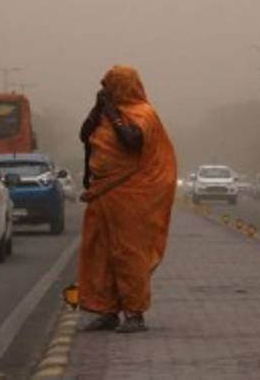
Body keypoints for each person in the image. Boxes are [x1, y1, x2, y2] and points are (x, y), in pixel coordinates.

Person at [77, 65, 177, 334]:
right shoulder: (104, 115)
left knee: (128, 254)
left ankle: (135, 313)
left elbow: (132, 140)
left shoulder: (144, 114)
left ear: (123, 86)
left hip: (131, 195)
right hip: (103, 194)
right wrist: (99, 108)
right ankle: (106, 311)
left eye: (111, 86)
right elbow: (84, 134)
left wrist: (111, 110)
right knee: (100, 253)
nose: (107, 91)